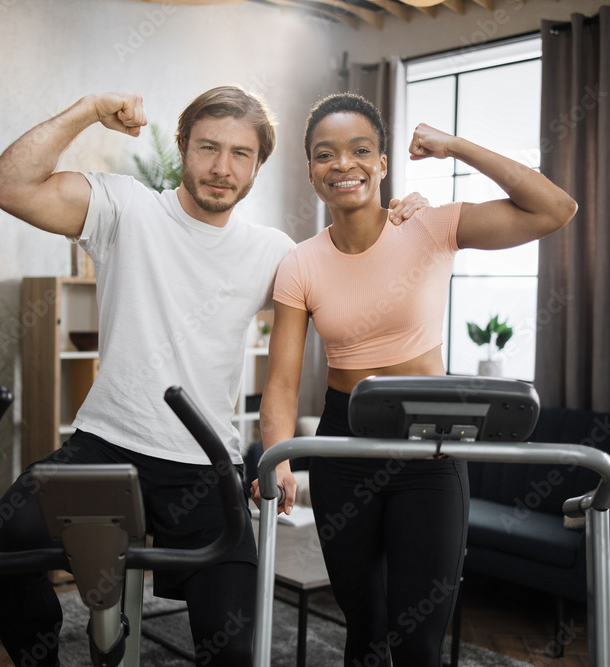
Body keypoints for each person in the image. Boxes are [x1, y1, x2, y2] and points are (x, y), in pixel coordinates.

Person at [0, 86, 426, 667]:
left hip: (206, 464)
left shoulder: (274, 252)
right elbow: (3, 184)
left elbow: (357, 275)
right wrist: (89, 110)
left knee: (233, 645)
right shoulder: (125, 209)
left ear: (259, 166)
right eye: (208, 147)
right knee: (3, 546)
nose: (221, 167)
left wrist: (402, 223)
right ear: (183, 147)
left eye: (241, 154)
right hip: (106, 445)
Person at [252, 93, 577, 666]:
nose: (342, 164)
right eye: (325, 155)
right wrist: (276, 456)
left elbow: (555, 209)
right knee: (365, 627)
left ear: (382, 163)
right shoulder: (300, 262)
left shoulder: (429, 226)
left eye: (360, 151)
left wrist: (453, 146)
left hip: (431, 447)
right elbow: (280, 382)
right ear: (310, 171)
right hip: (342, 448)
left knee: (419, 641)